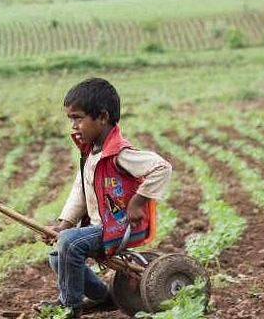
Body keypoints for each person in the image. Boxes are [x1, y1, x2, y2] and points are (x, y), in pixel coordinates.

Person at [37, 78, 172, 318]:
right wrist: (63, 225)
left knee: (69, 243)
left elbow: (162, 167)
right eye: (71, 119)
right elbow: (80, 190)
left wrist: (138, 202)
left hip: (122, 227)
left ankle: (69, 306)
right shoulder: (92, 154)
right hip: (103, 226)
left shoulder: (120, 154)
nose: (74, 126)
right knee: (59, 254)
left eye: (78, 118)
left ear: (102, 117)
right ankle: (103, 296)